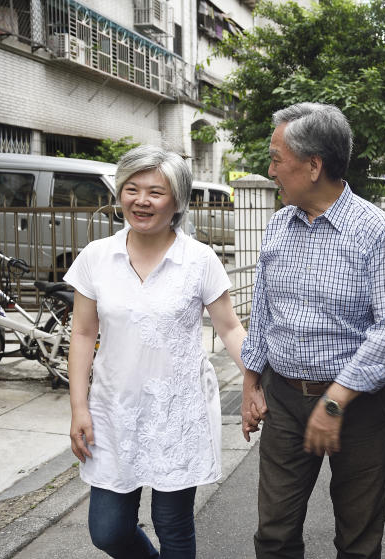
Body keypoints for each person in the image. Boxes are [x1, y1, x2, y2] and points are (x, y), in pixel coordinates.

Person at [240, 102, 385, 559]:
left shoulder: (375, 230)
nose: (270, 169)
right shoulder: (279, 224)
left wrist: (335, 399)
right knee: (273, 535)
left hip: (360, 406)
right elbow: (265, 306)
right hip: (284, 399)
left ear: (314, 165)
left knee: (357, 538)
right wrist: (251, 381)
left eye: (277, 158)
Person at [66, 145, 248, 559]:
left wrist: (257, 381)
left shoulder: (199, 260)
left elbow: (230, 327)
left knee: (173, 525)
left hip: (176, 413)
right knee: (108, 531)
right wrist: (79, 407)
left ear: (177, 201)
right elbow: (82, 333)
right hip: (113, 412)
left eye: (155, 192)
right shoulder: (96, 257)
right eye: (131, 189)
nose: (141, 201)